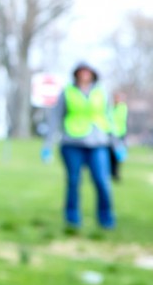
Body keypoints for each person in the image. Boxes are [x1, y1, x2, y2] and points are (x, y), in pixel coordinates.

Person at [41, 62, 115, 230]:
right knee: (74, 181)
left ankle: (106, 218)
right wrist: (48, 145)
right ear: (76, 74)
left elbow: (110, 117)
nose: (84, 75)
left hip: (98, 142)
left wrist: (117, 144)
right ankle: (72, 218)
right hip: (72, 142)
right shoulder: (68, 91)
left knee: (102, 181)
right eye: (81, 72)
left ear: (92, 74)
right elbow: (55, 118)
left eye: (87, 72)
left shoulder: (101, 92)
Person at [109, 90, 129, 182]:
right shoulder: (111, 107)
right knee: (110, 155)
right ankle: (111, 171)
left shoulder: (122, 107)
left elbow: (119, 120)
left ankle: (116, 172)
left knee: (117, 155)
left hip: (119, 134)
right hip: (111, 133)